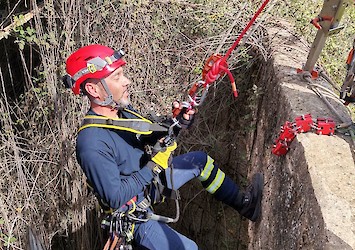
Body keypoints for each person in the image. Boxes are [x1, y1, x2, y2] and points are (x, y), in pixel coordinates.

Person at [63, 44, 263, 250]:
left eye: (123, 74)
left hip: (148, 185)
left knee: (199, 161)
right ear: (93, 89)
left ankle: (246, 205)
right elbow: (115, 197)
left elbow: (151, 135)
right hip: (133, 216)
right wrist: (153, 166)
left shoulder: (121, 113)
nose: (127, 81)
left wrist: (177, 123)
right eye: (117, 77)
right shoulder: (91, 143)